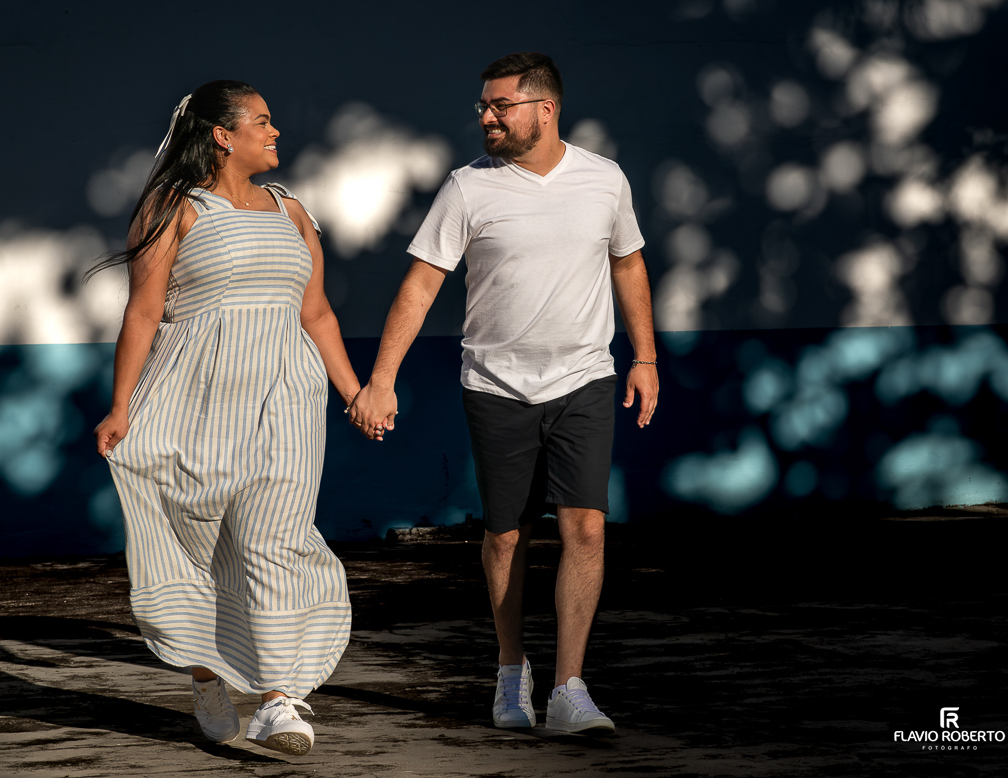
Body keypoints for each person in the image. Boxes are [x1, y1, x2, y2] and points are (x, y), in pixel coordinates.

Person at [348, 53, 659, 734]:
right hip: (495, 385)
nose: (485, 116)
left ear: (545, 109)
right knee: (506, 533)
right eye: (484, 106)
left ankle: (570, 688)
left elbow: (628, 262)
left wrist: (645, 356)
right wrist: (381, 378)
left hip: (585, 378)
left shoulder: (604, 180)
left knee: (584, 526)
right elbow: (421, 285)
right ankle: (511, 669)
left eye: (500, 106)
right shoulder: (467, 189)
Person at [91, 80, 382, 755]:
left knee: (274, 538)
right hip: (196, 397)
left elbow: (316, 314)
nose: (276, 132)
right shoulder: (174, 208)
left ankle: (281, 699)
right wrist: (120, 404)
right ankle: (206, 667)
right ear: (223, 135)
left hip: (287, 397)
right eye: (263, 121)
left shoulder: (291, 211)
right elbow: (142, 311)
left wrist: (354, 392)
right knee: (198, 540)